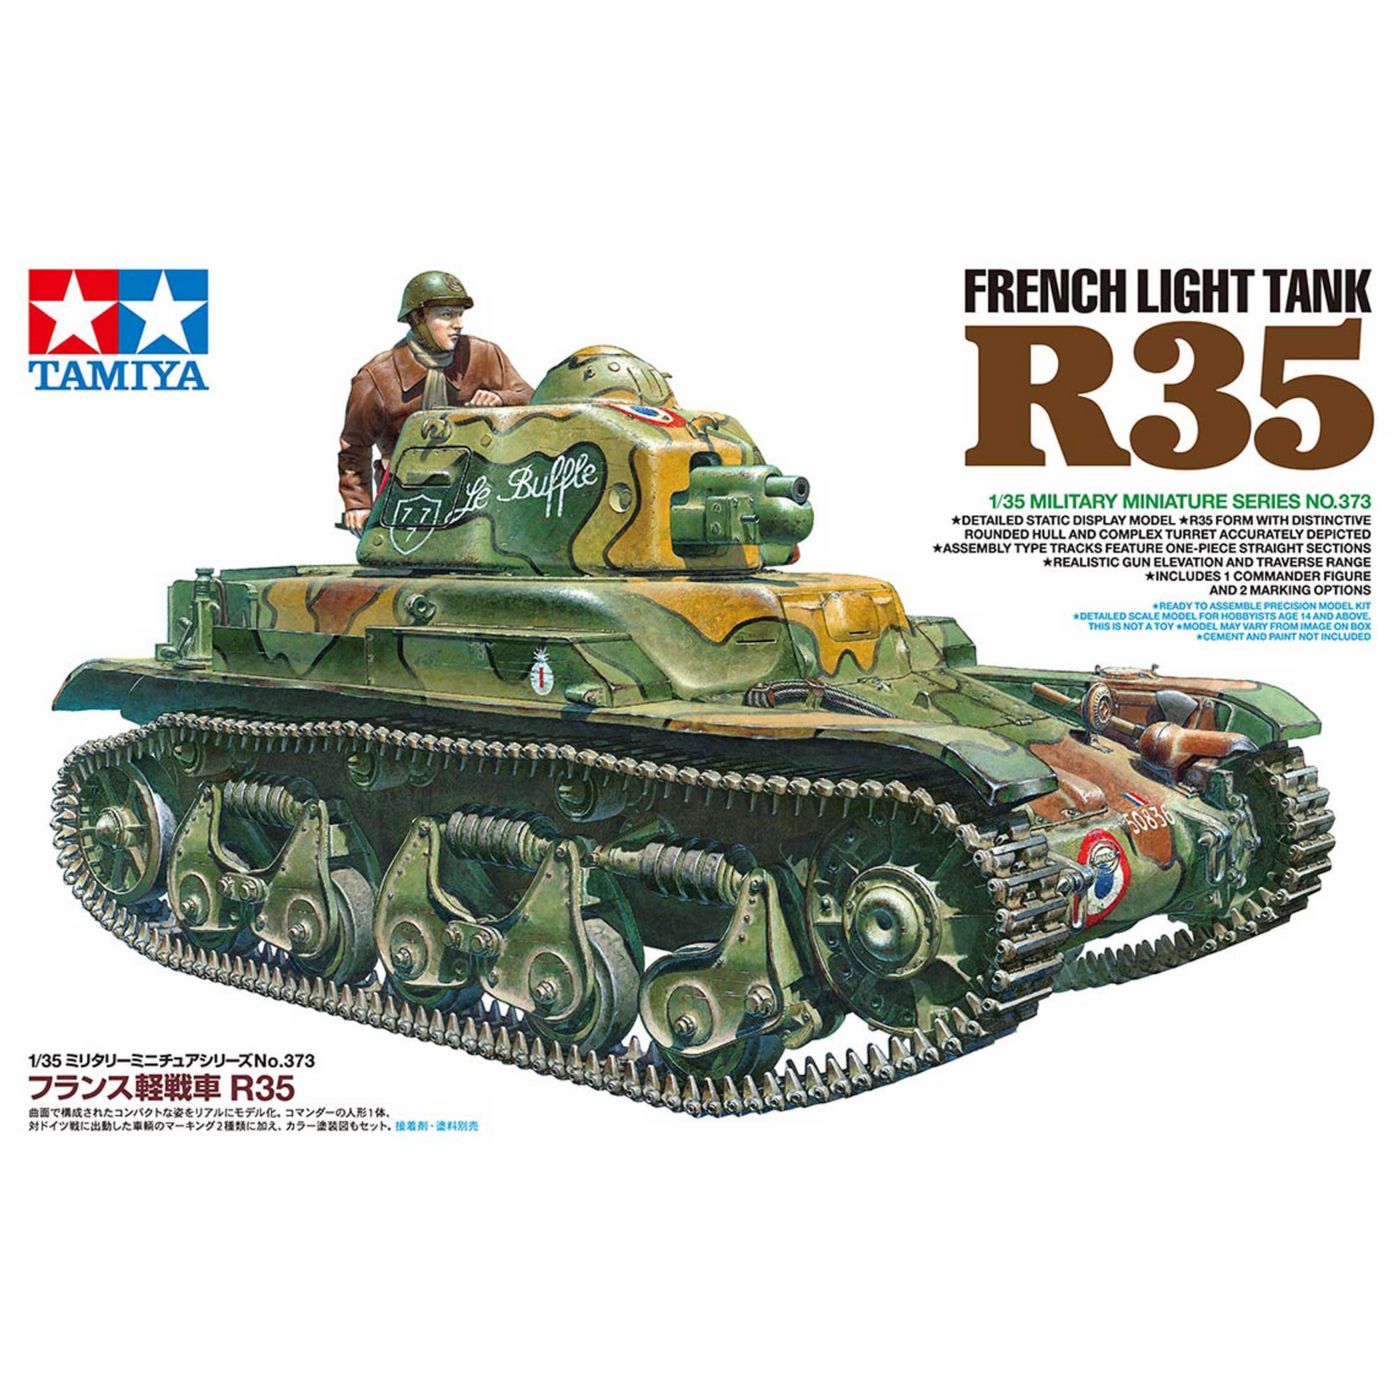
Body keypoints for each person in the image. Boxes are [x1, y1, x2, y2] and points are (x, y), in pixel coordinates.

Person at [338, 271, 533, 532]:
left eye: (459, 314)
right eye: (446, 315)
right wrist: (358, 505)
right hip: (404, 494)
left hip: (477, 492)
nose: (458, 324)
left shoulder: (483, 355)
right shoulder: (377, 376)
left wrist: (501, 397)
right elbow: (354, 446)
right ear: (418, 318)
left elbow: (530, 397)